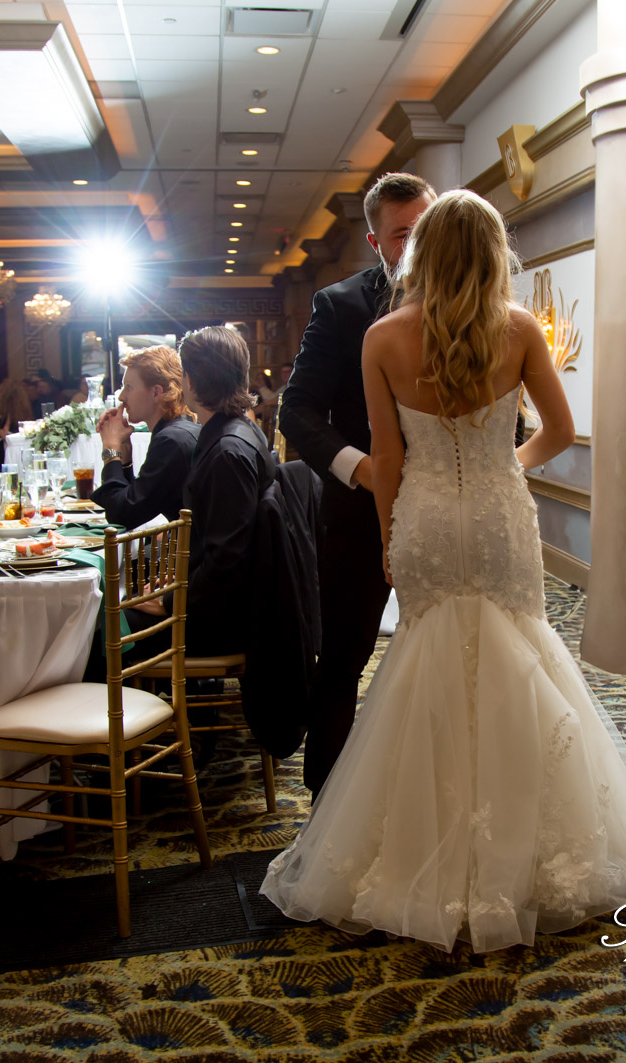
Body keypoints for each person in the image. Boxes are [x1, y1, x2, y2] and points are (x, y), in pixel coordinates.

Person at [261, 189, 626, 953]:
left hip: (423, 515)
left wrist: (391, 533)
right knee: (521, 653)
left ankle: (425, 846)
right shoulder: (517, 329)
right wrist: (502, 467)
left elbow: (387, 458)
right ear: (491, 253)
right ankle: (530, 842)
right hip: (498, 516)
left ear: (420, 254)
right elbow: (561, 430)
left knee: (426, 666)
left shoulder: (384, 337)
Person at [278, 171, 436, 798]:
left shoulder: (471, 304)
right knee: (343, 662)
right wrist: (364, 470)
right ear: (375, 241)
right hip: (358, 516)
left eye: (427, 228)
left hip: (450, 513)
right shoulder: (341, 306)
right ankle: (324, 811)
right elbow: (297, 413)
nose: (419, 245)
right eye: (404, 235)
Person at [176, 326, 271, 656]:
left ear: (190, 381)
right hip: (228, 604)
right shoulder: (240, 430)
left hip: (222, 620)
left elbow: (226, 562)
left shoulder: (227, 451)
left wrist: (169, 600)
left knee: (106, 627)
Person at [93, 344, 200, 528]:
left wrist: (111, 450)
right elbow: (134, 501)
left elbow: (121, 515)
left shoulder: (172, 441)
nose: (121, 397)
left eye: (129, 387)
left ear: (156, 392)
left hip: (188, 554)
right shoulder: (181, 429)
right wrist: (124, 456)